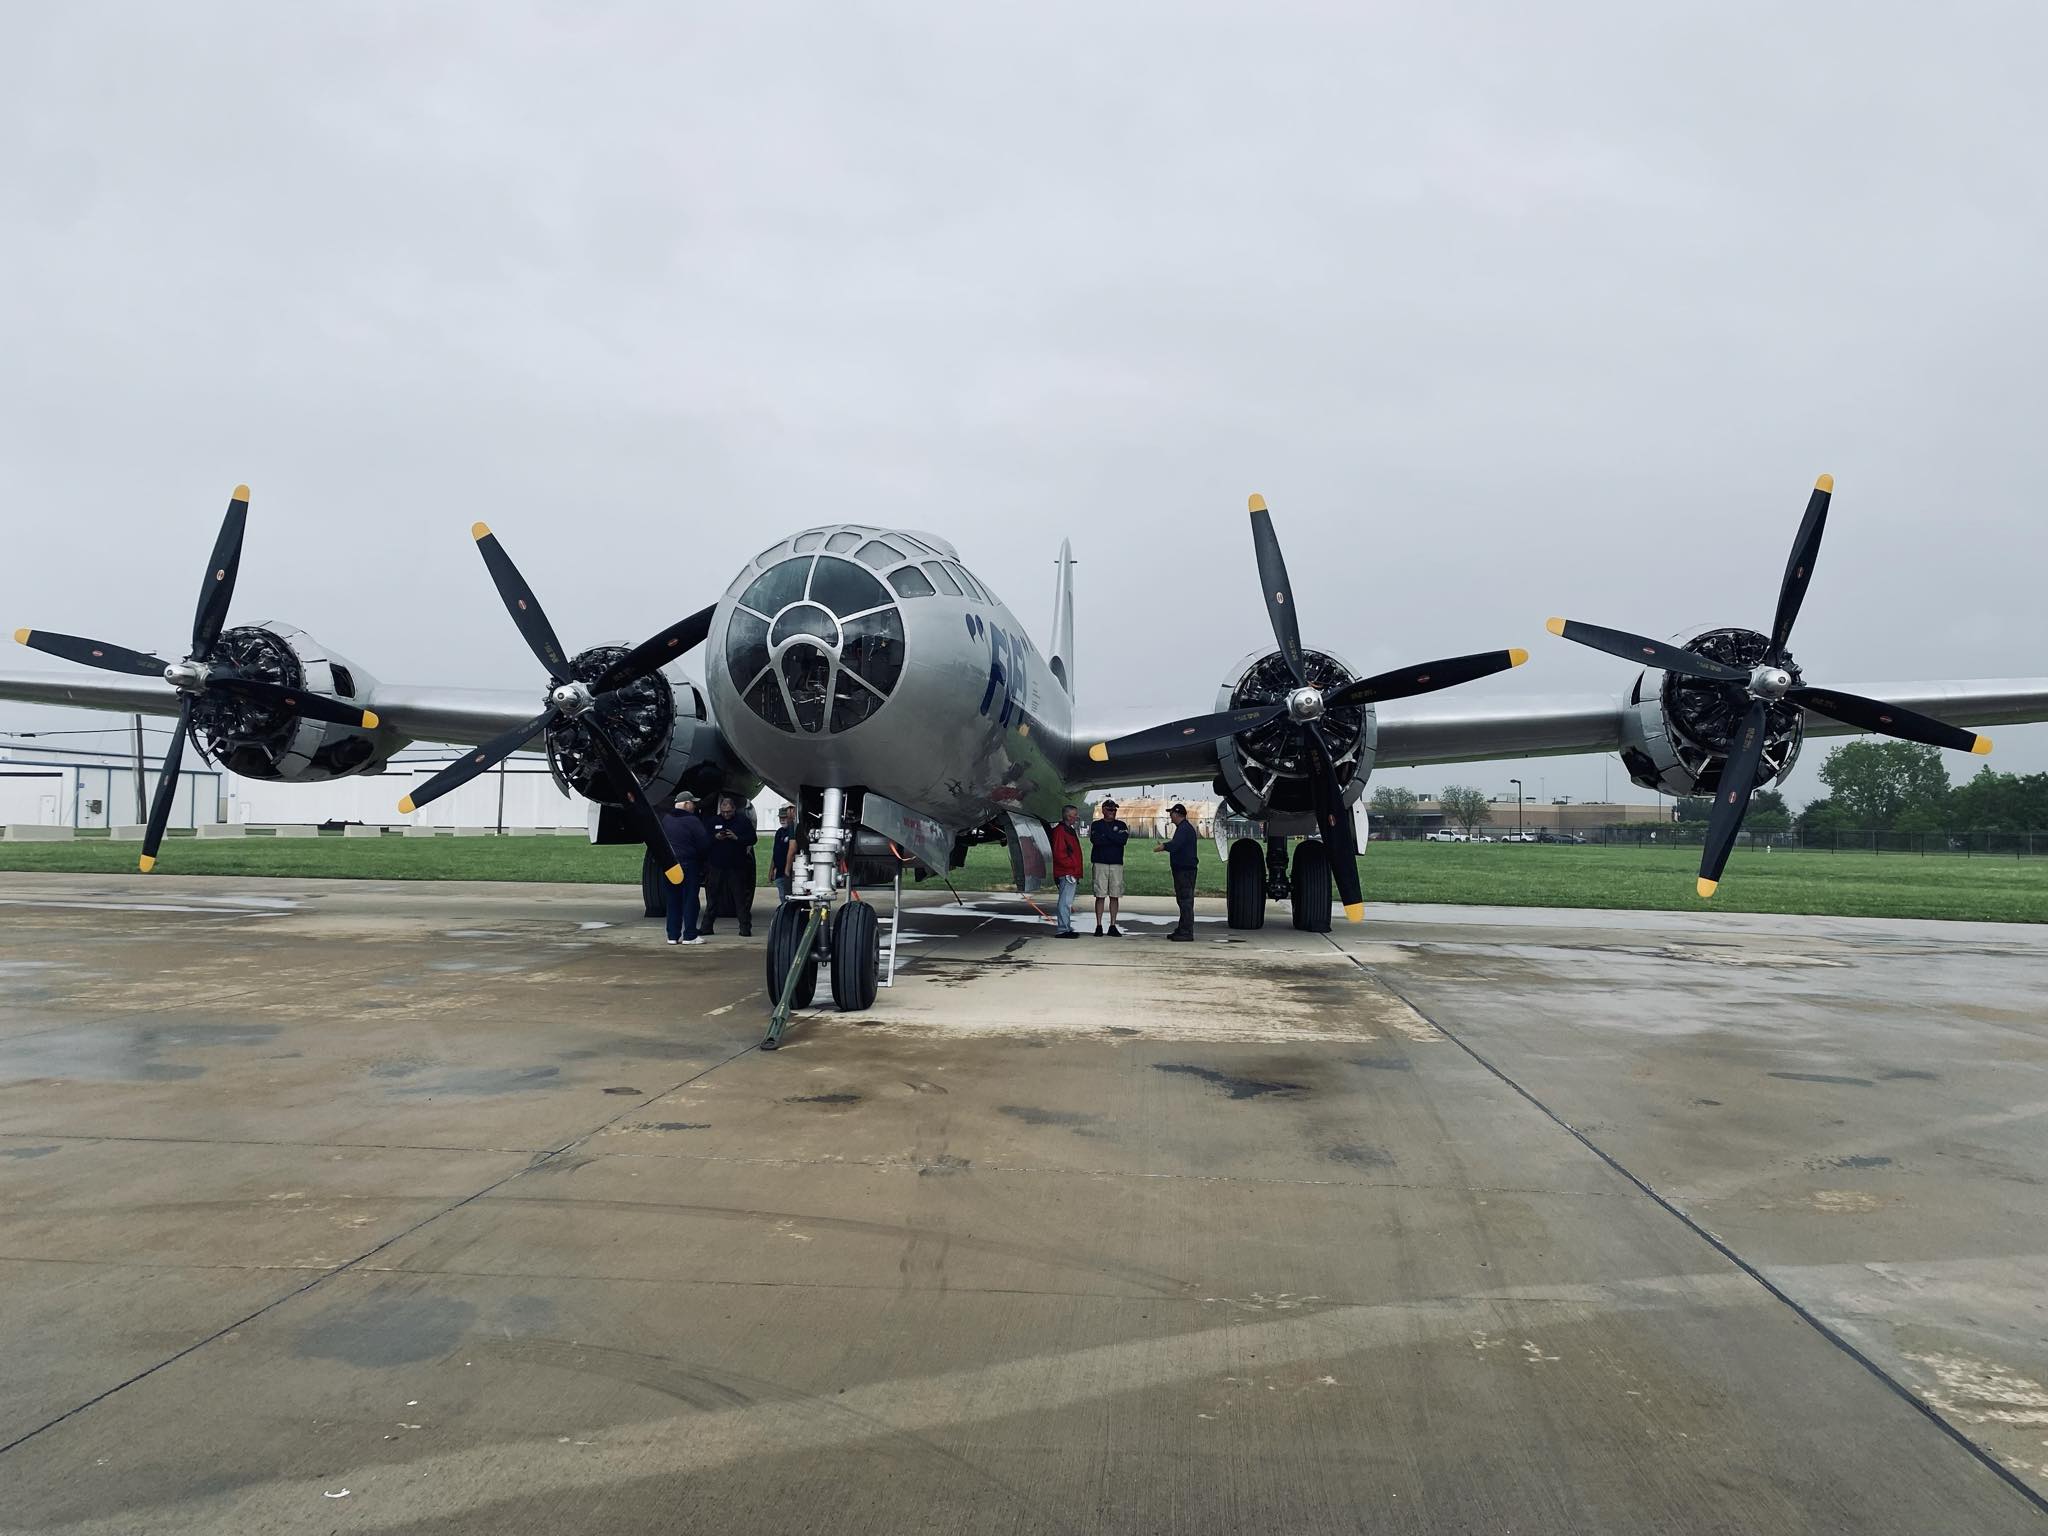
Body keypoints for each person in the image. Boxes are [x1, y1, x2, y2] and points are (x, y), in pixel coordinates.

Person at [657, 791, 713, 945]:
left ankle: (672, 935)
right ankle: (690, 935)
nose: (694, 806)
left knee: (673, 900)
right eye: (693, 803)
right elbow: (704, 844)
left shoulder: (666, 820)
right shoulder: (692, 821)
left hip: (670, 866)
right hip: (689, 865)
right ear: (687, 804)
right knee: (690, 900)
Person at [702, 793, 758, 937]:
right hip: (716, 865)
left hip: (736, 866)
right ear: (720, 809)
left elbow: (753, 839)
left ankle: (745, 928)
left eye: (729, 812)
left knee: (740, 899)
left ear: (734, 810)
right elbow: (705, 840)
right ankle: (706, 927)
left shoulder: (742, 821)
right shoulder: (713, 821)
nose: (726, 814)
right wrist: (715, 837)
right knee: (712, 897)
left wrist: (736, 838)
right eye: (724, 812)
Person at [1156, 802, 1198, 941]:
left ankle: (1186, 931)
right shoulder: (1184, 828)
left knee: (1185, 901)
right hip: (1183, 869)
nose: (1170, 816)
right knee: (1183, 900)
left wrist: (1164, 846)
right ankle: (1182, 928)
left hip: (1185, 871)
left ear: (1176, 814)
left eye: (1171, 813)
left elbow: (1176, 845)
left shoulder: (1184, 829)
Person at [1089, 797, 1129, 936]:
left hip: (1116, 864)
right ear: (1103, 810)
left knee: (1115, 895)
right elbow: (1096, 840)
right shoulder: (1096, 825)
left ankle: (1113, 925)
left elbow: (1122, 841)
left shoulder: (1122, 824)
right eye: (1110, 809)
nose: (1112, 811)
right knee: (1100, 895)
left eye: (1114, 809)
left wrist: (1106, 835)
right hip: (1100, 862)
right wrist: (1113, 836)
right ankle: (1099, 925)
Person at [1049, 804, 1084, 938]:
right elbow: (1059, 854)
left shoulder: (1067, 830)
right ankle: (1063, 929)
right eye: (1075, 815)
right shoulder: (1060, 831)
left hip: (1070, 871)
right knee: (1065, 902)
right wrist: (1072, 868)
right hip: (1067, 872)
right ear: (1069, 816)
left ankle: (1066, 927)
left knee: (1067, 901)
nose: (1076, 817)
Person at [770, 804, 800, 901]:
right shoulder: (779, 832)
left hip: (789, 872)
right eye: (781, 818)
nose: (782, 820)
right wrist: (771, 869)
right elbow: (775, 852)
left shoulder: (793, 831)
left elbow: (792, 850)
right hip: (779, 872)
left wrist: (787, 870)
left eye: (785, 817)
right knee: (782, 897)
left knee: (790, 897)